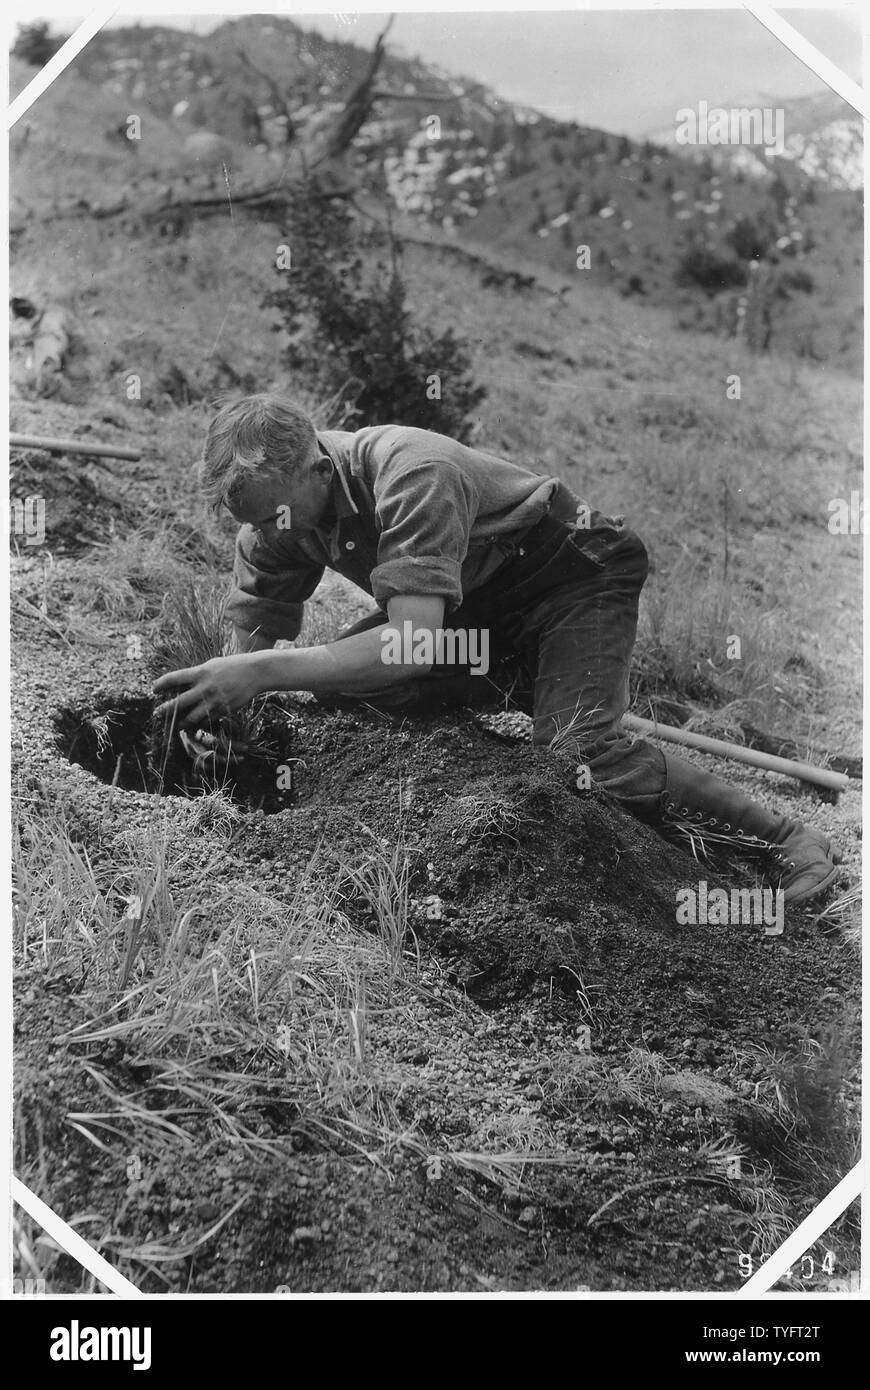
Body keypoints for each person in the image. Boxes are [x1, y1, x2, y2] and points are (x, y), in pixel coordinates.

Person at [154, 393, 841, 905]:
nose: (269, 532)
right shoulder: (270, 515)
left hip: (572, 575)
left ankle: (785, 836)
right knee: (370, 684)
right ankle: (532, 684)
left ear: (316, 467)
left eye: (276, 514)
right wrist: (224, 712)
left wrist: (259, 673)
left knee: (584, 754)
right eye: (251, 522)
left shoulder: (409, 471)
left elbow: (413, 642)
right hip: (481, 604)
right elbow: (250, 638)